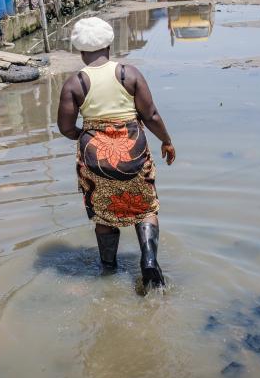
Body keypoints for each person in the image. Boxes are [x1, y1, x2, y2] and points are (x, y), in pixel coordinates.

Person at [58, 17, 176, 289]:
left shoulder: (74, 84)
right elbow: (152, 115)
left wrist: (89, 136)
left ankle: (108, 269)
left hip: (95, 159)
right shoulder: (129, 73)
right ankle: (148, 261)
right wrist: (167, 141)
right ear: (109, 45)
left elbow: (65, 128)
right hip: (133, 151)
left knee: (102, 213)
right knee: (144, 206)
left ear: (81, 51)